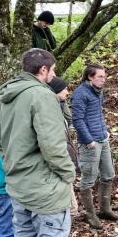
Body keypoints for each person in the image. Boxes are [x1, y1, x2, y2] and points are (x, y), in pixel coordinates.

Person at [0, 48, 80, 237]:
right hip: (45, 187)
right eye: (52, 71)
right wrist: (68, 174)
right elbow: (54, 146)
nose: (53, 76)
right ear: (42, 70)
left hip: (18, 184)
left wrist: (14, 166)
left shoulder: (8, 95)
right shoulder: (42, 95)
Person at [71, 63, 118, 229]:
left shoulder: (98, 92)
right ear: (90, 77)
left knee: (108, 174)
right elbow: (77, 120)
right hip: (89, 143)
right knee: (88, 179)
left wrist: (105, 132)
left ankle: (105, 209)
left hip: (102, 139)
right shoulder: (80, 94)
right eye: (100, 77)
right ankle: (90, 215)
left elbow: (98, 114)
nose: (103, 80)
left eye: (104, 77)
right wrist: (88, 140)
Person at [48, 76, 79, 218]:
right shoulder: (50, 112)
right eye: (64, 89)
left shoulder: (60, 106)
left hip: (65, 157)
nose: (67, 92)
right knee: (70, 205)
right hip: (60, 160)